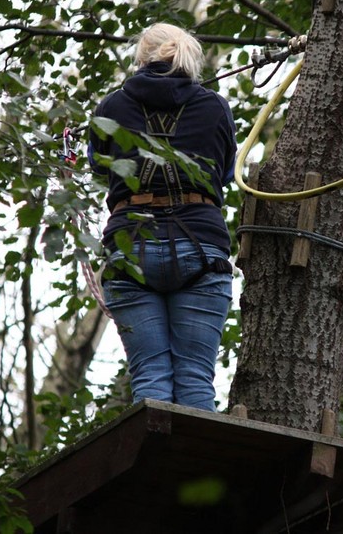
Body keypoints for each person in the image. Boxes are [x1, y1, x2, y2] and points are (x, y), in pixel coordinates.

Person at [87, 23, 236, 412]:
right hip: (200, 247)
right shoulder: (214, 107)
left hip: (130, 246)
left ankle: (155, 469)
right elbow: (223, 175)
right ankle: (195, 469)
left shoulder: (112, 107)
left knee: (150, 377)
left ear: (142, 57)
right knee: (195, 378)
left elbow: (100, 168)